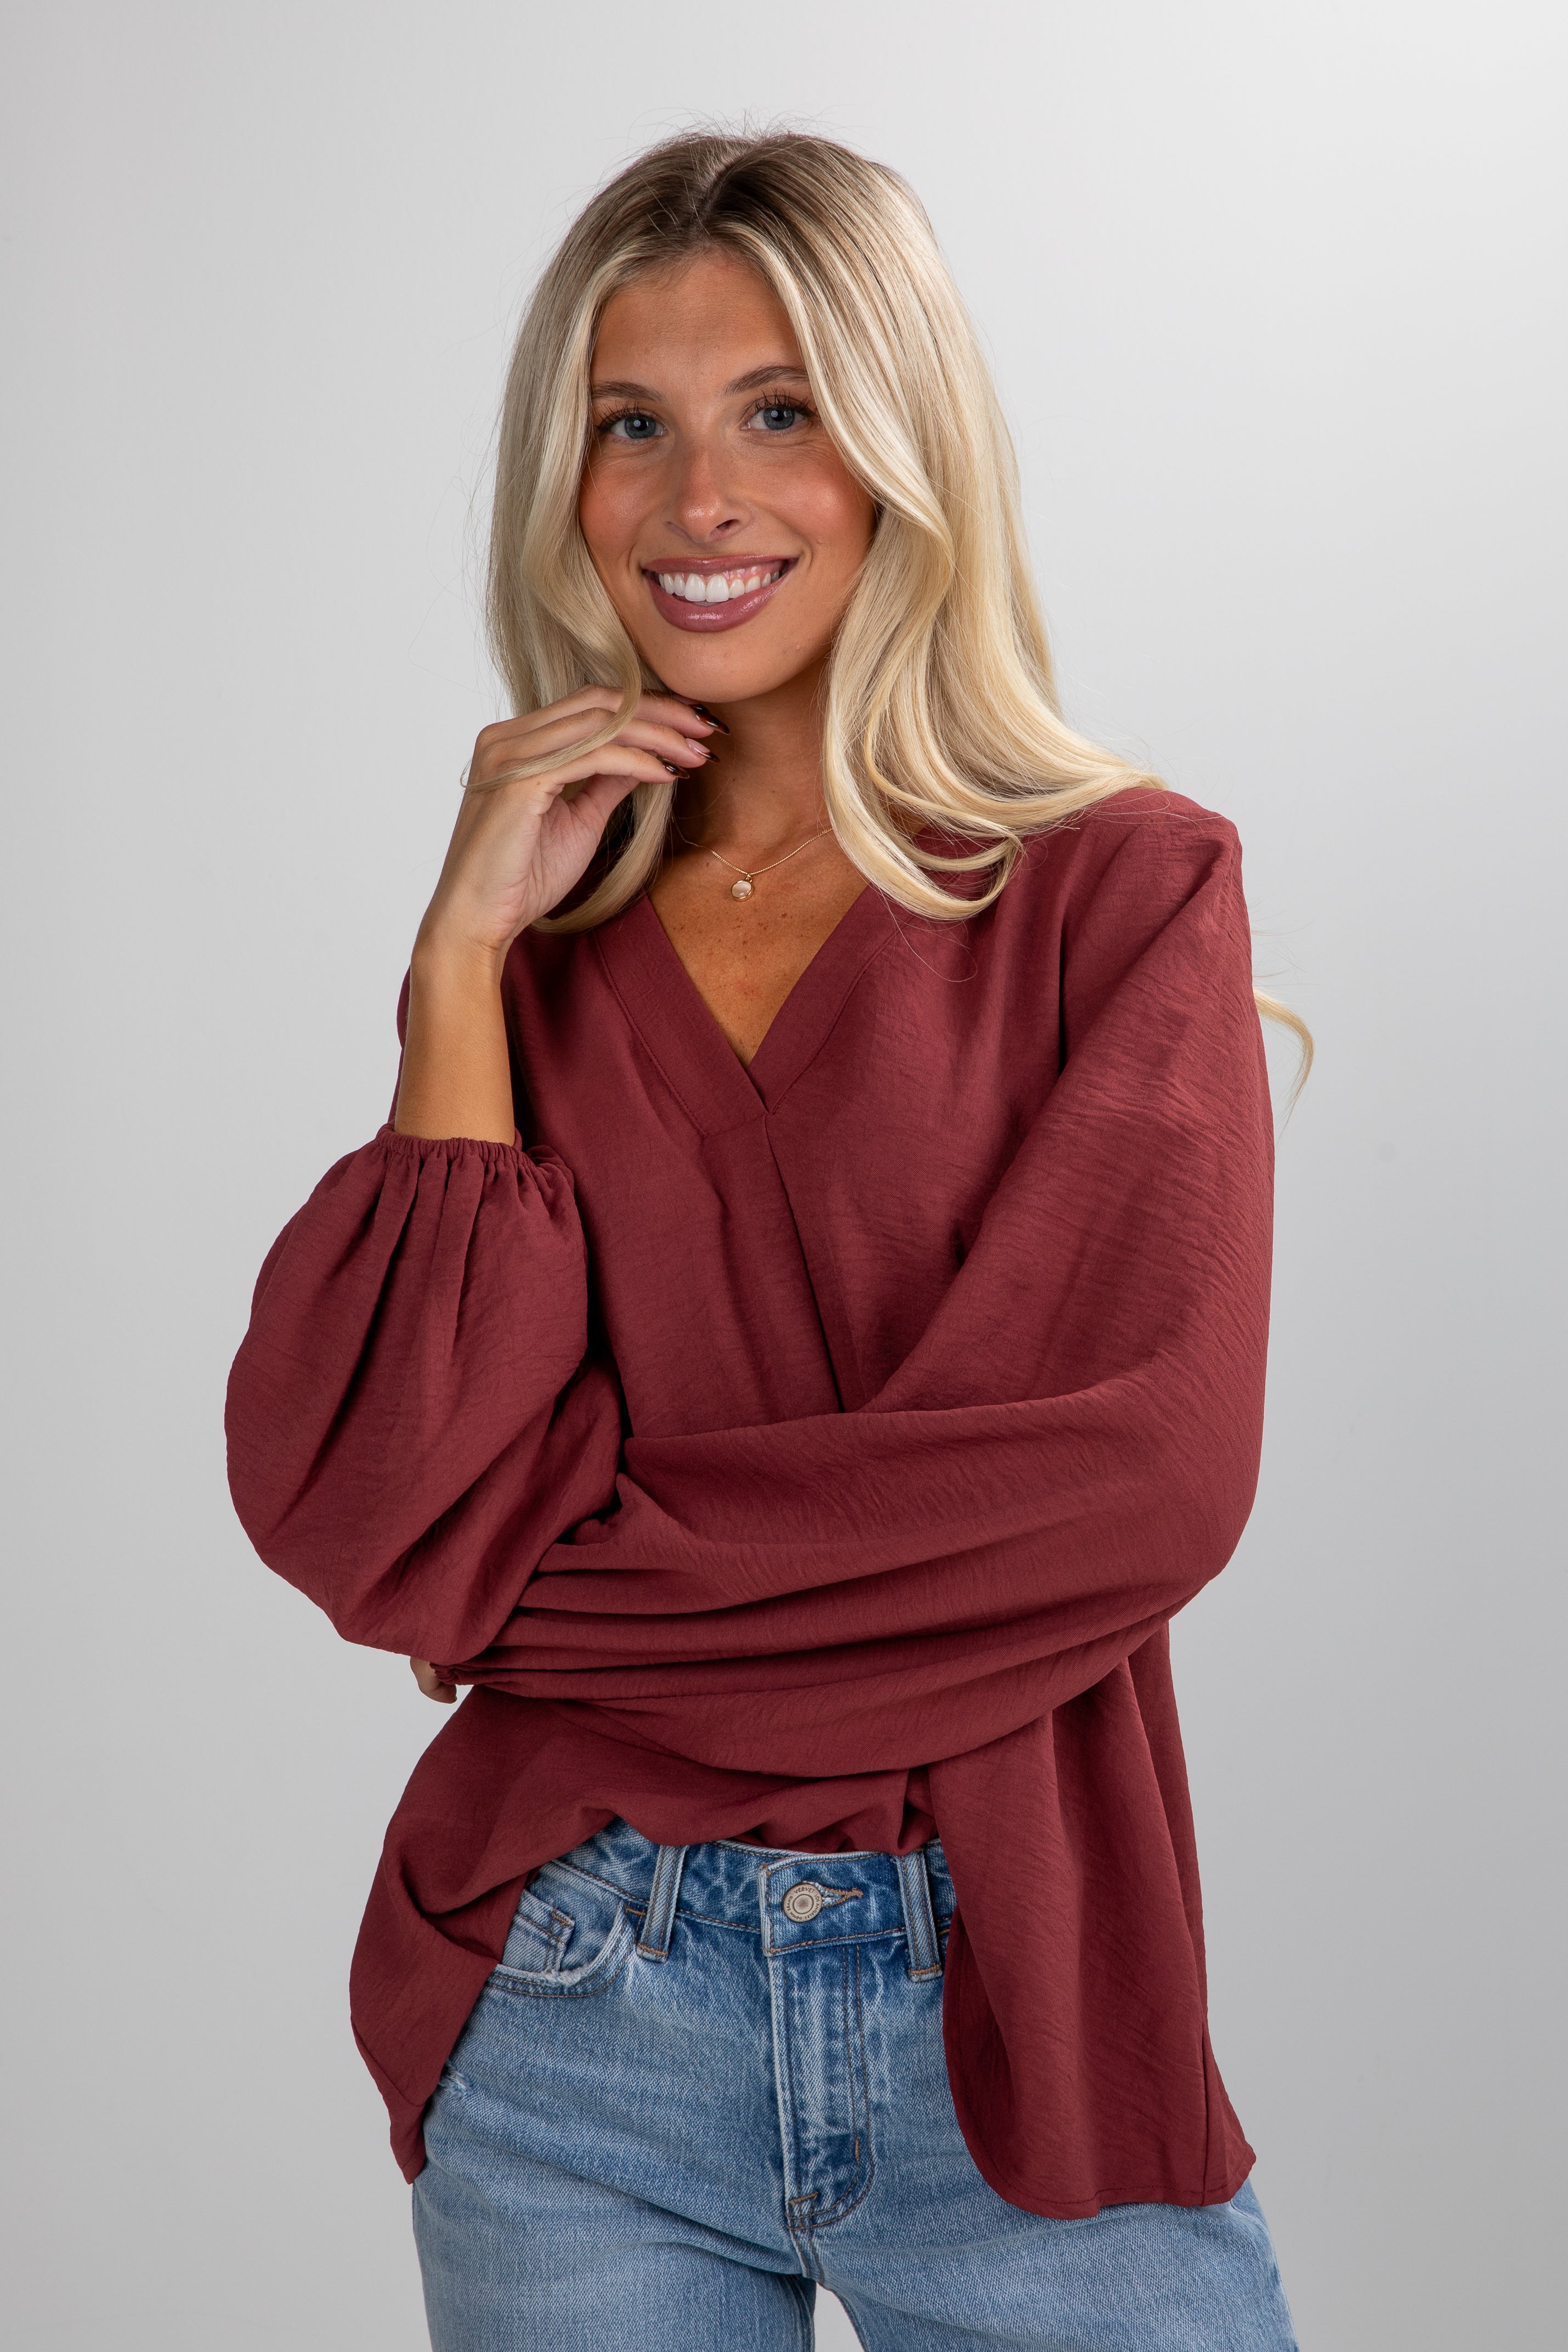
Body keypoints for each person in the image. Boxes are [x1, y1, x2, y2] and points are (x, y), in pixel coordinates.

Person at [227, 131, 1306, 2352]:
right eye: (634, 424)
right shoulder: (536, 950)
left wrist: (548, 1592)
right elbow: (363, 1518)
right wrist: (449, 961)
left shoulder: (1121, 893)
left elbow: (1132, 1486)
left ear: (902, 449)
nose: (697, 497)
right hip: (572, 2004)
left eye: (780, 411)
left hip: (1013, 2005)